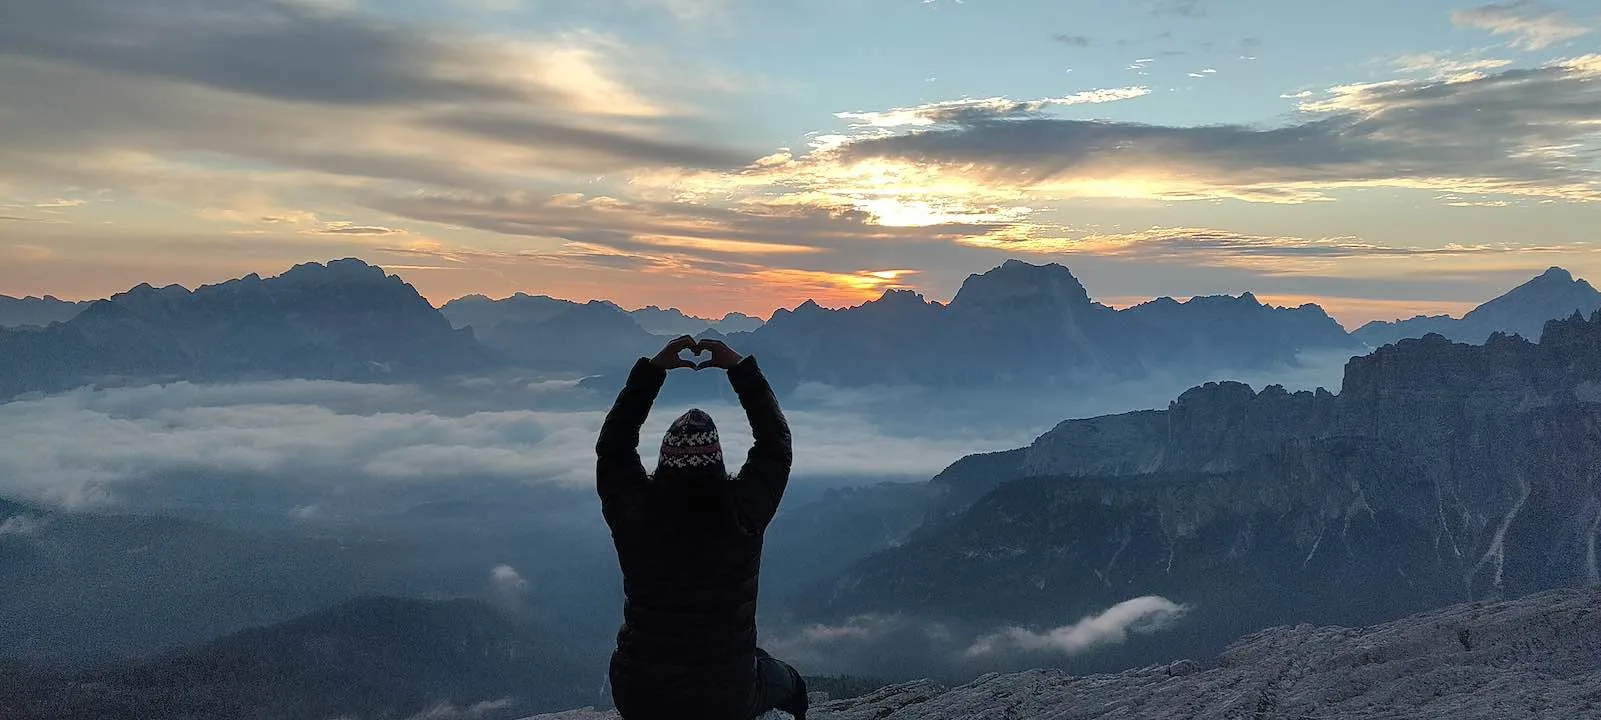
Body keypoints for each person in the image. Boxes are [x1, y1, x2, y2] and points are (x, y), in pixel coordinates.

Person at [596, 335, 810, 720]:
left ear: (663, 461)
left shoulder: (634, 513)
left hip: (640, 694)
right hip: (725, 697)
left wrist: (652, 371)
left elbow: (613, 449)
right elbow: (775, 444)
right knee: (788, 681)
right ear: (717, 462)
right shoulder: (742, 511)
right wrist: (739, 368)